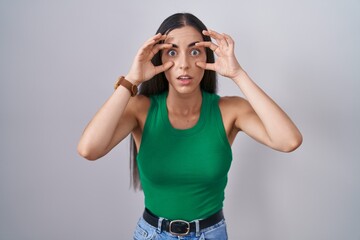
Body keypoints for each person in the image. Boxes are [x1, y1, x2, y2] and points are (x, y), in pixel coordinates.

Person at [77, 12, 302, 240]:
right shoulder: (140, 108)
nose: (184, 64)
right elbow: (89, 149)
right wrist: (131, 80)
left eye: (194, 51)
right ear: (159, 58)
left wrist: (238, 74)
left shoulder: (230, 111)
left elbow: (288, 141)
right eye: (172, 52)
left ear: (208, 57)